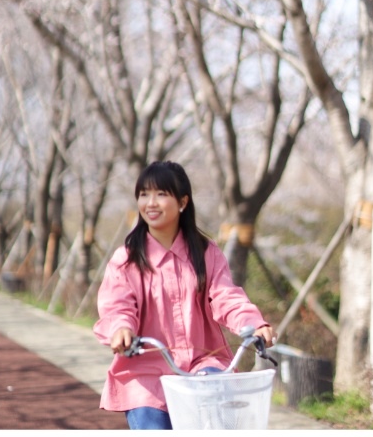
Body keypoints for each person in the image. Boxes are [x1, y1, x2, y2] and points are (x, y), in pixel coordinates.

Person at [93, 161, 276, 430]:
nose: (150, 203)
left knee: (219, 418)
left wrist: (253, 324)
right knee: (151, 425)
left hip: (203, 362)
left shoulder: (206, 253)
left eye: (161, 194)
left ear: (182, 202)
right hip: (145, 371)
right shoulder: (128, 259)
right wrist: (121, 328)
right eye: (144, 194)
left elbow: (226, 296)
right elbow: (117, 303)